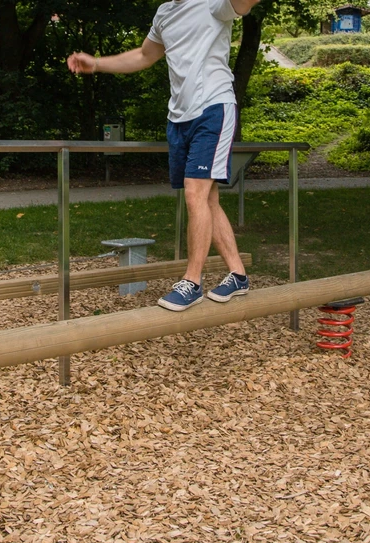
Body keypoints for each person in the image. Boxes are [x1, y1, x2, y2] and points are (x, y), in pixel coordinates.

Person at [66, 0, 260, 311]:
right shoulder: (165, 13)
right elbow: (145, 55)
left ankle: (191, 282)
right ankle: (238, 275)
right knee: (207, 198)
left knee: (196, 194)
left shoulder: (214, 4)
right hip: (179, 118)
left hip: (213, 108)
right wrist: (98, 63)